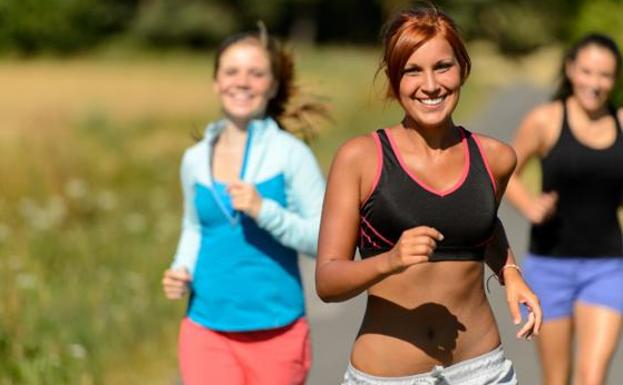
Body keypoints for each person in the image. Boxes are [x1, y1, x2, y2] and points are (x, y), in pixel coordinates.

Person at [315, 6, 542, 385]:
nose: (431, 85)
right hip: (386, 377)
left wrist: (510, 272)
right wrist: (390, 260)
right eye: (412, 71)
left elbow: (481, 224)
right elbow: (327, 280)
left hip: (481, 370)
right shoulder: (360, 158)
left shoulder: (496, 158)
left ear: (462, 70)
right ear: (393, 78)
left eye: (443, 67)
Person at [161, 25, 326, 385]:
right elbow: (194, 226)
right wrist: (181, 268)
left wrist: (265, 211)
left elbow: (325, 241)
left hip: (277, 331)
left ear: (273, 85)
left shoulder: (290, 155)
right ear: (216, 82)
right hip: (206, 329)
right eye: (231, 71)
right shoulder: (194, 159)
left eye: (256, 73)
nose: (243, 82)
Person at [505, 33, 623, 385]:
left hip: (607, 266)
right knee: (557, 380)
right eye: (587, 71)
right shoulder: (546, 120)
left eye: (605, 75)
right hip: (550, 265)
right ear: (571, 69)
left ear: (615, 79)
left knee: (592, 378)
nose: (595, 83)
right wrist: (530, 205)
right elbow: (506, 171)